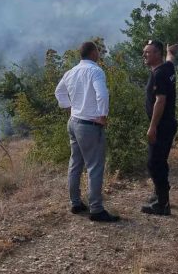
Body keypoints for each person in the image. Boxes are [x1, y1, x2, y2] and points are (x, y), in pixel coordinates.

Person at [54, 41, 119, 222]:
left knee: (75, 164)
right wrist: (103, 115)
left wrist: (69, 108)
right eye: (97, 51)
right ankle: (96, 209)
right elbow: (102, 94)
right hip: (89, 125)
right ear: (93, 53)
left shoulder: (71, 72)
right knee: (95, 167)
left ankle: (75, 203)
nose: (99, 53)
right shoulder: (96, 71)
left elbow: (58, 92)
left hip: (73, 122)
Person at [141, 40, 178, 216]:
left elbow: (160, 100)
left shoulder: (159, 74)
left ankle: (163, 204)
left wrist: (152, 127)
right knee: (160, 161)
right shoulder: (168, 68)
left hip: (162, 126)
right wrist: (170, 51)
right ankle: (160, 194)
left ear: (157, 54)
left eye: (148, 52)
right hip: (168, 123)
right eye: (144, 52)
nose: (144, 55)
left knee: (154, 163)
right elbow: (171, 58)